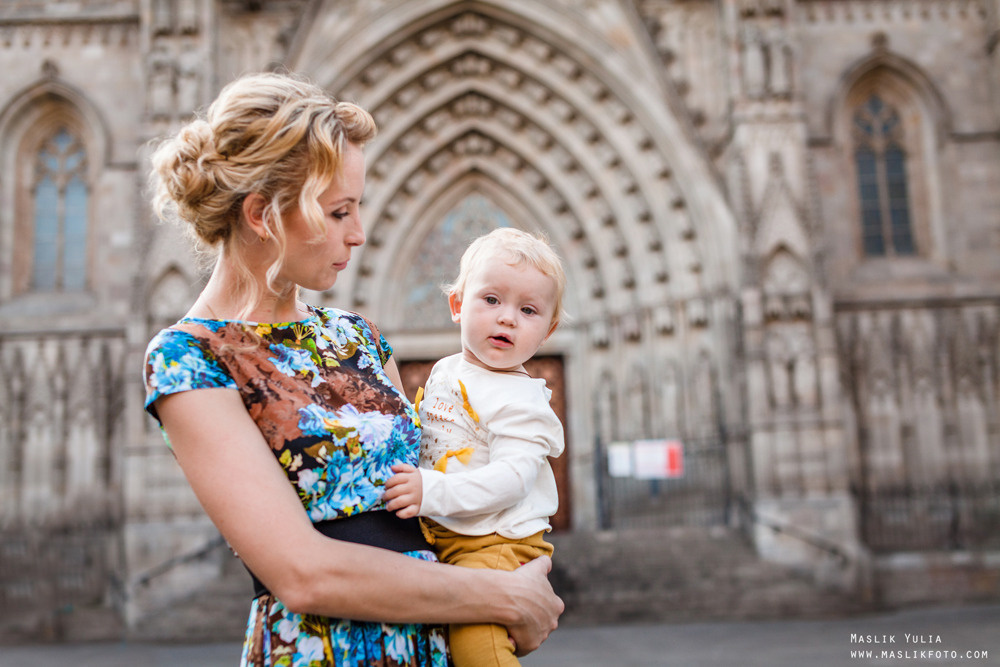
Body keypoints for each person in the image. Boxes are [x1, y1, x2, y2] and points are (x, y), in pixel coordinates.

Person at [142, 72, 561, 667]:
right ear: (262, 214)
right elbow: (303, 573)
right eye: (339, 211)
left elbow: (435, 482)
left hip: (430, 641)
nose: (359, 234)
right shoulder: (189, 360)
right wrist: (506, 597)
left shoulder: (357, 336)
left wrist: (517, 563)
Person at [383, 228, 566, 667]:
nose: (507, 318)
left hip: (495, 542)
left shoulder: (521, 400)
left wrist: (431, 491)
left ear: (548, 330)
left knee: (476, 645)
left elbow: (513, 479)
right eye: (491, 299)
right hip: (450, 534)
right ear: (457, 305)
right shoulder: (447, 370)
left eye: (528, 310)